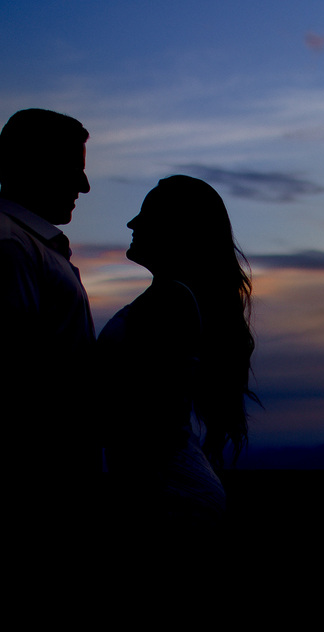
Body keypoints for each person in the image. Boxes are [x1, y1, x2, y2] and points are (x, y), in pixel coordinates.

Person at [98, 175, 258, 522]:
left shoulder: (171, 301)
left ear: (175, 229)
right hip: (165, 489)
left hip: (170, 496)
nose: (132, 223)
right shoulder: (169, 298)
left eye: (146, 214)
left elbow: (140, 411)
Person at [0, 108, 98, 476]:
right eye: (73, 168)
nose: (84, 185)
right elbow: (7, 388)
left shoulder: (22, 246)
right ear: (36, 165)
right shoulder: (7, 247)